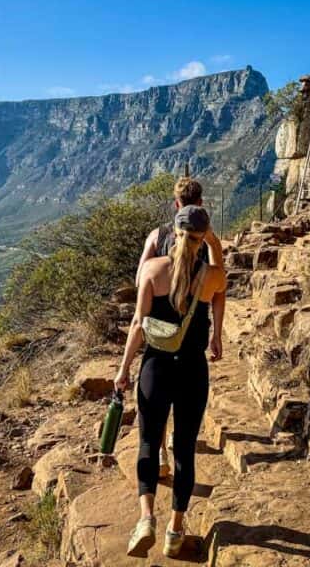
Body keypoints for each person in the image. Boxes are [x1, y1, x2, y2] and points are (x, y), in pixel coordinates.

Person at [116, 205, 228, 558]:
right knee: (184, 450)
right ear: (202, 238)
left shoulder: (151, 270)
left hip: (155, 368)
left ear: (174, 234)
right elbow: (221, 292)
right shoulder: (212, 275)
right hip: (192, 370)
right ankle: (175, 531)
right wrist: (217, 336)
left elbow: (137, 325)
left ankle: (146, 518)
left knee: (149, 444)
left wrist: (123, 370)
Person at [136, 175, 225, 479]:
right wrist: (217, 333)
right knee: (184, 400)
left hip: (159, 334)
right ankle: (177, 443)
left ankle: (159, 454)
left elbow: (140, 278)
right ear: (200, 203)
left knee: (156, 398)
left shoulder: (157, 236)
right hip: (191, 337)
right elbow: (219, 286)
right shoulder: (204, 240)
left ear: (176, 205)